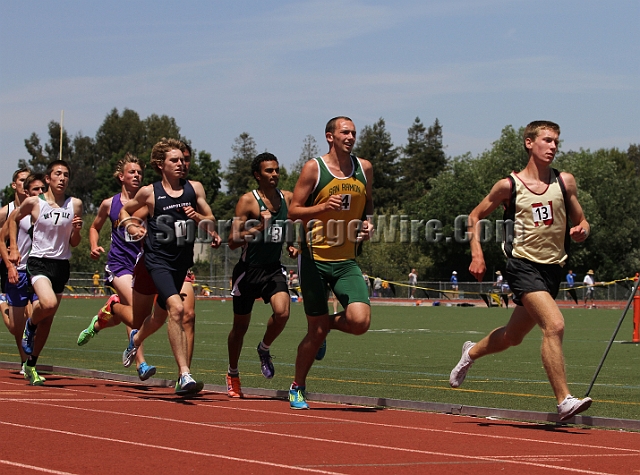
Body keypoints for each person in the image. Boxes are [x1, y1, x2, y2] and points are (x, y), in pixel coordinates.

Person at [449, 120, 593, 421]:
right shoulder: (509, 186)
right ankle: (564, 399)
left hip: (553, 268)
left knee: (512, 337)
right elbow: (474, 216)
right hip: (522, 265)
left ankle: (471, 352)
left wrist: (582, 230)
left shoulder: (564, 182)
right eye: (547, 140)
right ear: (529, 143)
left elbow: (582, 221)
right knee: (554, 325)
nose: (553, 146)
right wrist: (477, 253)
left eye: (556, 141)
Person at [120, 138, 220, 395]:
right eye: (174, 160)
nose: (181, 164)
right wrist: (132, 226)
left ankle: (136, 339)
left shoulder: (194, 188)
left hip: (181, 263)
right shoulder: (150, 192)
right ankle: (185, 375)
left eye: (183, 160)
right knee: (177, 308)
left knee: (159, 316)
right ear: (160, 165)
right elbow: (125, 210)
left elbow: (210, 219)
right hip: (157, 261)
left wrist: (199, 219)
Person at [287, 116, 374, 409]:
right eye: (344, 132)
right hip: (314, 259)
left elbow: (368, 203)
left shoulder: (364, 168)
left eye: (353, 133)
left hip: (346, 260)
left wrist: (368, 224)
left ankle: (327, 326)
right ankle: (297, 386)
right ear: (329, 136)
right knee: (316, 332)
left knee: (360, 322)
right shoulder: (315, 168)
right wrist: (322, 207)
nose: (350, 137)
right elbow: (293, 211)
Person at [75, 153, 156, 381]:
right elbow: (94, 227)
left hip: (142, 263)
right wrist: (93, 245)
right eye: (132, 172)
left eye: (140, 172)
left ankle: (101, 320)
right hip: (118, 264)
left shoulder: (148, 200)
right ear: (121, 176)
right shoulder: (110, 204)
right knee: (136, 311)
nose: (137, 175)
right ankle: (141, 363)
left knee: (128, 315)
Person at [226, 152, 297, 398]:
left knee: (283, 312)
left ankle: (264, 348)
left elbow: (289, 223)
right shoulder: (248, 201)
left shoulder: (287, 197)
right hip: (248, 271)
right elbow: (232, 241)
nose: (275, 174)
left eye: (276, 170)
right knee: (239, 328)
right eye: (269, 171)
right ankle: (233, 374)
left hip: (272, 269)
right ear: (258, 175)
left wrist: (291, 242)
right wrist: (259, 227)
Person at [11, 161, 83, 385]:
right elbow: (13, 218)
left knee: (48, 319)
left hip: (61, 265)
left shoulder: (75, 204)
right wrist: (13, 247)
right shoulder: (35, 203)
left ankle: (31, 365)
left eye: (66, 175)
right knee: (48, 304)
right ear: (48, 179)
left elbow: (74, 242)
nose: (62, 178)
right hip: (39, 261)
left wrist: (77, 231)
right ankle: (30, 325)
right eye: (58, 174)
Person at [0, 173, 46, 374]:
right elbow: (1, 240)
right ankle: (2, 302)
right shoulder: (11, 213)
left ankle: (28, 362)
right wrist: (10, 262)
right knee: (15, 328)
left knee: (39, 311)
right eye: (35, 189)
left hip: (38, 271)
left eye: (42, 189)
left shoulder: (49, 210)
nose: (40, 193)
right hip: (15, 269)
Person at [0, 168, 31, 336]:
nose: (25, 183)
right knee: (15, 327)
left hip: (32, 266)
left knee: (32, 318)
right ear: (14, 185)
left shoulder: (36, 207)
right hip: (11, 266)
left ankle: (27, 357)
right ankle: (1, 302)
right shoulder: (6, 211)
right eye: (22, 180)